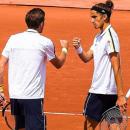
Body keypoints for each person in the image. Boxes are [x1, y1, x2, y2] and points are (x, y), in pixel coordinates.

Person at [0, 8, 68, 130]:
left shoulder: (13, 39)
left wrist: (0, 90)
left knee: (21, 127)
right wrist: (64, 49)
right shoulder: (45, 42)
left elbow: (1, 65)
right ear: (41, 24)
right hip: (33, 97)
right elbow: (59, 64)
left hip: (15, 96)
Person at [72, 0, 127, 130]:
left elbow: (116, 65)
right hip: (105, 91)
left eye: (94, 17)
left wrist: (120, 95)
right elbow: (86, 57)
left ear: (104, 17)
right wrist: (78, 48)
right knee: (114, 126)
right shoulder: (98, 37)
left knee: (90, 125)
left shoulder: (110, 36)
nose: (91, 20)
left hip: (103, 92)